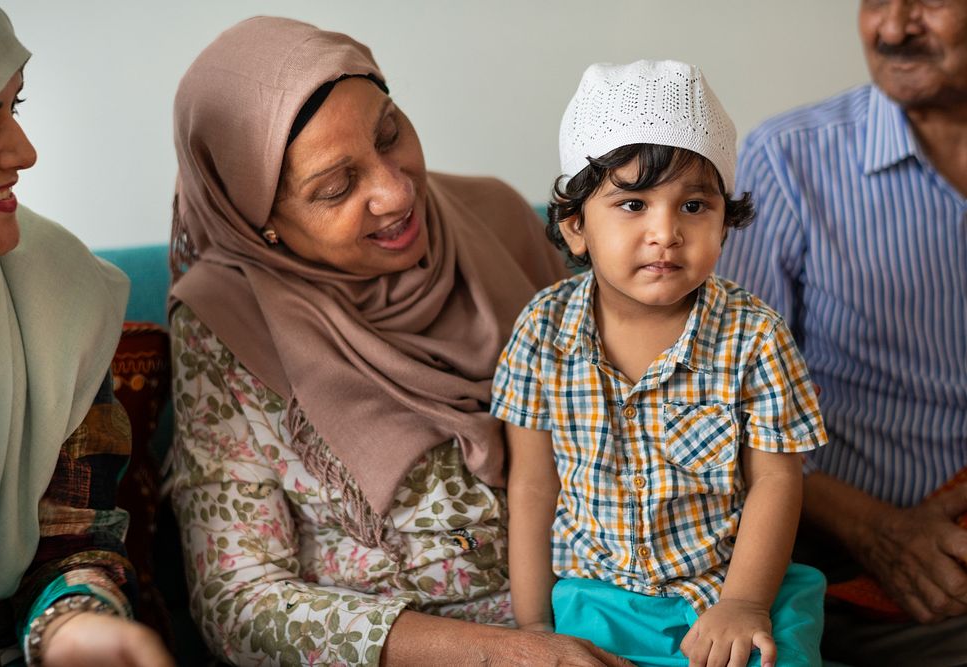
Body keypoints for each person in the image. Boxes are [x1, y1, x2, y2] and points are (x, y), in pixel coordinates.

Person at [165, 16, 640, 666]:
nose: (396, 190)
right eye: (336, 187)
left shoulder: (499, 218)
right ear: (259, 223)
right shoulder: (224, 321)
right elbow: (239, 601)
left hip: (612, 610)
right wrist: (509, 654)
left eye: (390, 132)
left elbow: (645, 412)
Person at [491, 60, 830, 667]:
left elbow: (776, 481)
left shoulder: (754, 336)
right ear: (575, 227)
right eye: (632, 205)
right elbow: (533, 485)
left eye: (694, 205)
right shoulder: (541, 332)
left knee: (781, 648)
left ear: (725, 221)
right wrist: (535, 623)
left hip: (726, 590)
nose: (665, 232)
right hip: (597, 599)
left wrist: (745, 603)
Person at [716, 1, 967, 665]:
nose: (892, 29)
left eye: (929, 2)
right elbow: (729, 408)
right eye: (876, 1)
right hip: (881, 583)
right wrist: (879, 531)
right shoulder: (789, 161)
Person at [0, 1, 175, 666]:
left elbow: (69, 540)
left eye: (15, 107)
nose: (25, 153)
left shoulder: (59, 299)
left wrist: (74, 627)